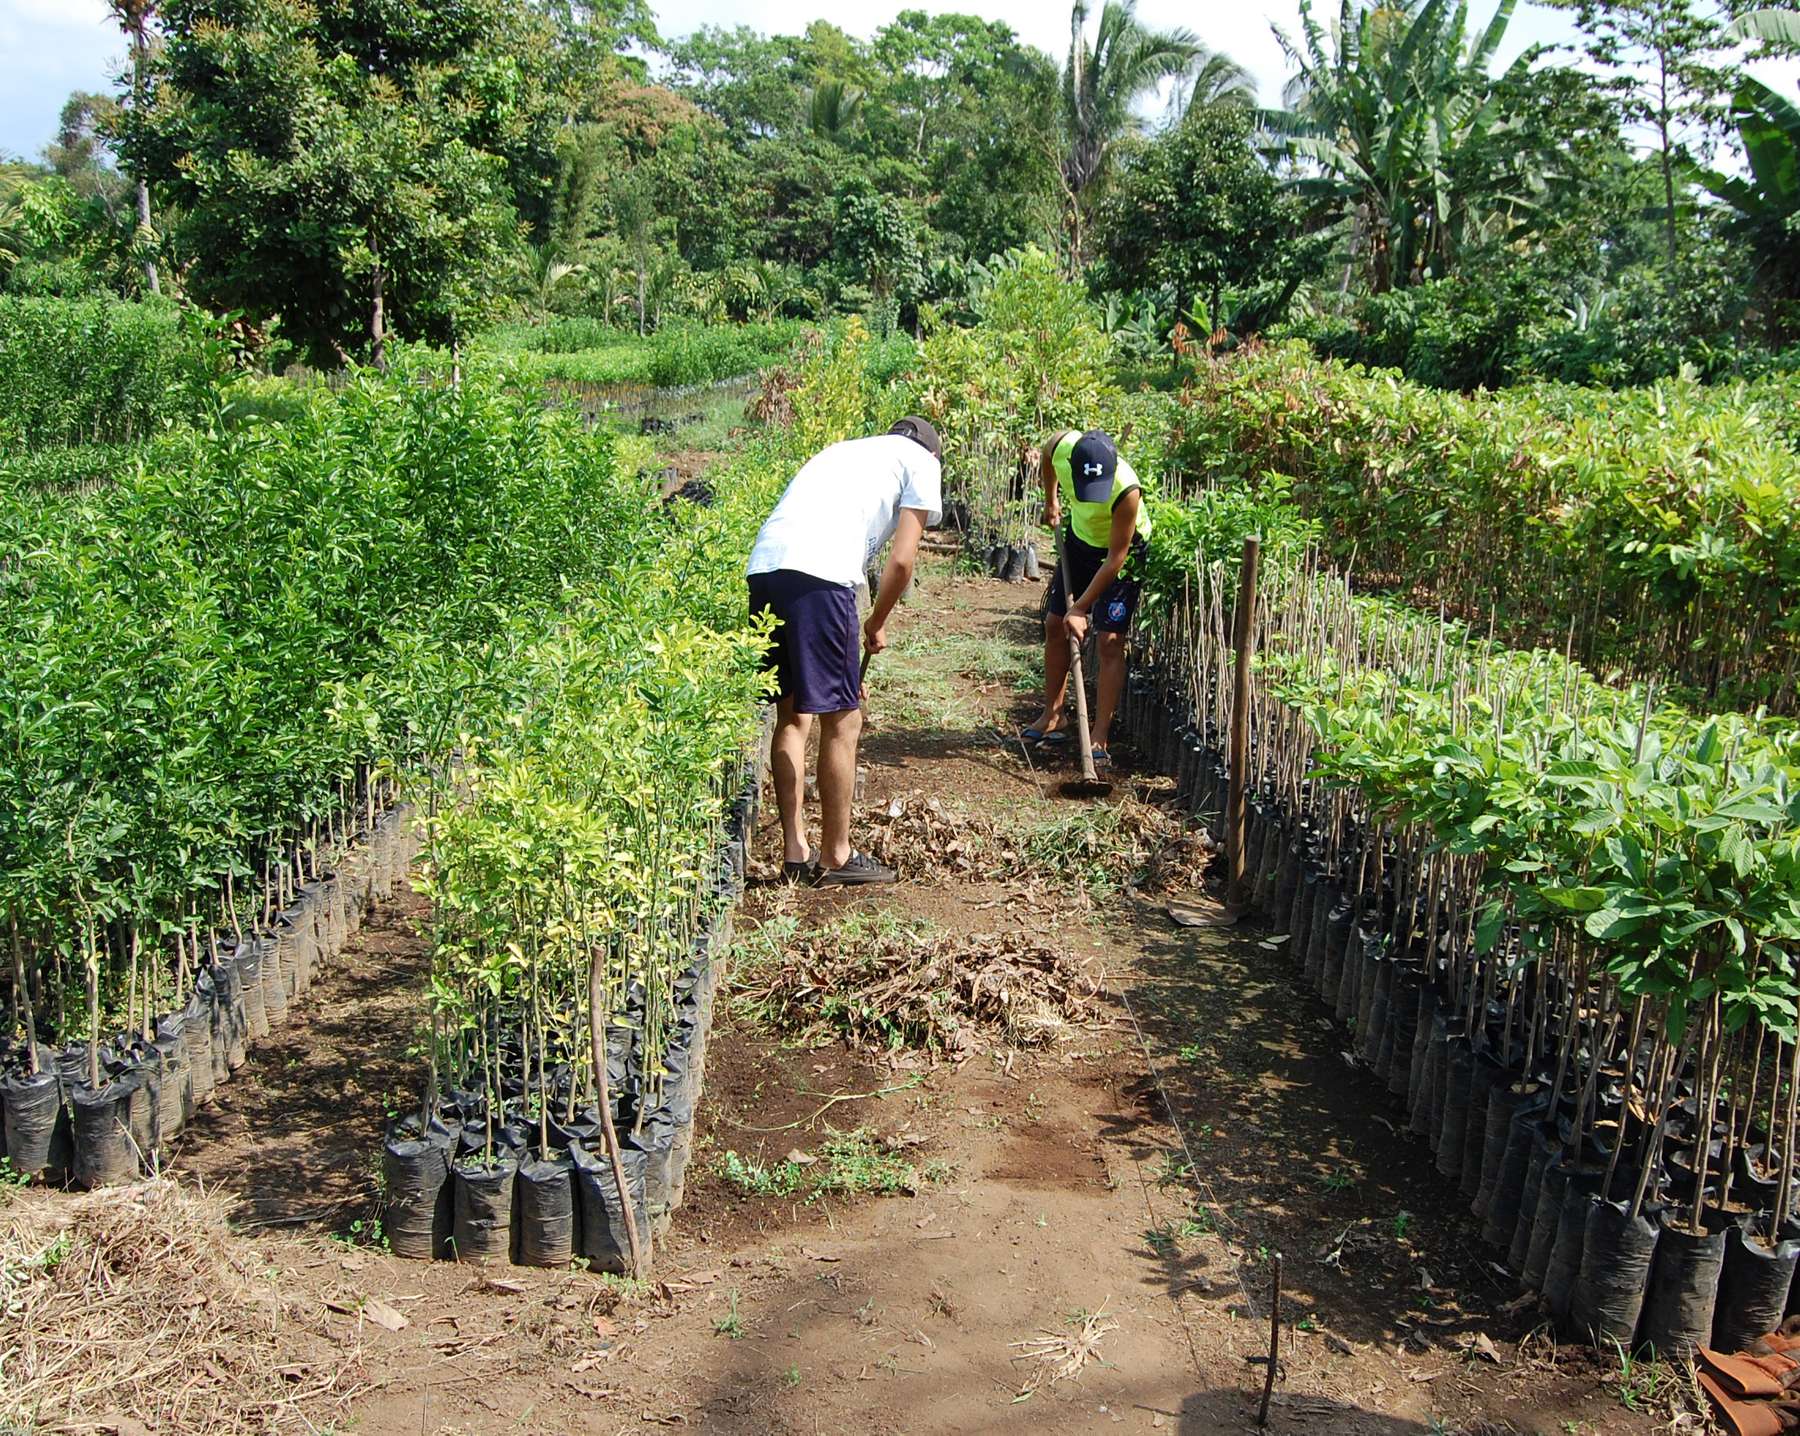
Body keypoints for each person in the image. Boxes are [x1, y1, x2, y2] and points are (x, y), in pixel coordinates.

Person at [746, 417, 943, 885]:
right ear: (933, 454)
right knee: (844, 718)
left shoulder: (845, 450)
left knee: (792, 715)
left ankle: (795, 850)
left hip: (766, 568)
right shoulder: (923, 462)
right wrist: (875, 622)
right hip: (819, 576)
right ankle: (836, 856)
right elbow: (902, 560)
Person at [1024, 428, 1152, 769]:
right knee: (1054, 625)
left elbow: (1116, 559)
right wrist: (1051, 498)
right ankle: (1053, 715)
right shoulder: (1062, 448)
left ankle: (1099, 736)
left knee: (1109, 640)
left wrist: (1081, 608)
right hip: (1080, 542)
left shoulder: (1127, 489)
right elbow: (1047, 457)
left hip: (1120, 552)